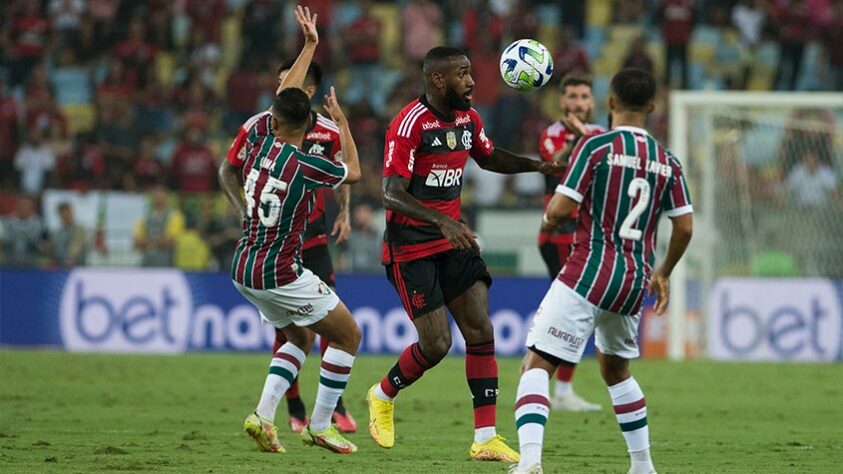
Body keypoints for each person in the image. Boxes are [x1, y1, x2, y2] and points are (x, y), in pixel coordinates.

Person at [366, 46, 564, 462]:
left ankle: (485, 437)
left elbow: (488, 157)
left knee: (481, 331)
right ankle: (383, 394)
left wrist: (538, 167)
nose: (472, 82)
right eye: (462, 74)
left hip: (452, 242)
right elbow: (390, 192)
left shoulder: (468, 119)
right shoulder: (409, 125)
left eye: (470, 73)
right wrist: (441, 221)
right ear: (437, 80)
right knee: (436, 344)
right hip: (411, 248)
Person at [511, 68, 694, 474]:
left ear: (610, 103)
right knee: (616, 370)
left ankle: (529, 462)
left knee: (535, 363)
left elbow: (559, 210)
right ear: (652, 106)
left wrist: (547, 221)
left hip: (589, 271)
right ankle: (643, 465)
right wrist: (663, 271)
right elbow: (684, 226)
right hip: (634, 281)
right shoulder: (669, 162)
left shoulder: (596, 147)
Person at [220, 6, 362, 455]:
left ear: (275, 118)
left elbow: (284, 96)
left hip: (243, 265)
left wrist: (310, 44)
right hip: (280, 270)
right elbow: (355, 172)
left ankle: (263, 416)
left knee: (300, 337)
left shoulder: (261, 139)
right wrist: (340, 120)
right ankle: (320, 424)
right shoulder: (309, 164)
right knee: (349, 335)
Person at [536, 73, 606, 413]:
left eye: (584, 96)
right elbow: (555, 167)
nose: (578, 102)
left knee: (579, 313)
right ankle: (556, 388)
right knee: (572, 313)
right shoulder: (554, 135)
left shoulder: (602, 137)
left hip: (587, 236)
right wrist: (577, 140)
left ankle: (555, 387)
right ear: (562, 102)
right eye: (573, 96)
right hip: (559, 235)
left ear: (592, 102)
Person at [133, 185, 185, 267]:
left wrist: (147, 242)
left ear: (166, 197)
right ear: (152, 197)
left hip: (166, 264)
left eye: (161, 195)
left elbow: (169, 242)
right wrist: (158, 242)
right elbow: (136, 243)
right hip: (146, 263)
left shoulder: (175, 216)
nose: (158, 198)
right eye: (156, 195)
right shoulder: (144, 218)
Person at [49, 201, 88, 267]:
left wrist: (70, 258)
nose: (65, 216)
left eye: (67, 213)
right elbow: (54, 250)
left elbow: (76, 248)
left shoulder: (80, 230)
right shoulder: (57, 233)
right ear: (59, 215)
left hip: (78, 267)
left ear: (72, 213)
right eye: (63, 214)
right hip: (60, 267)